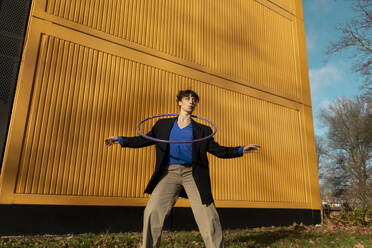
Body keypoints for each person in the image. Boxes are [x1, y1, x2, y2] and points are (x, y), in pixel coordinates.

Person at [105, 89, 260, 248]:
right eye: (187, 98)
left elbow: (219, 151)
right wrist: (120, 139)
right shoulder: (163, 125)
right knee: (152, 212)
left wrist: (240, 150)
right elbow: (143, 140)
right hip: (169, 174)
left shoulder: (203, 130)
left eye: (194, 100)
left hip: (193, 174)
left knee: (209, 216)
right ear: (180, 102)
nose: (191, 101)